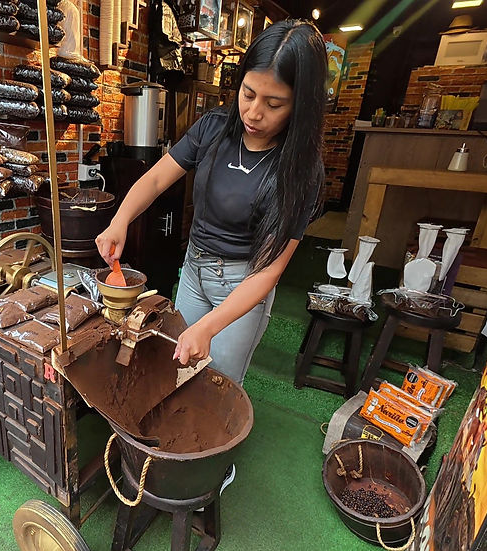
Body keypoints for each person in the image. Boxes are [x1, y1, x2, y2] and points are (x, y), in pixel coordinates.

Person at [96, 19, 327, 386]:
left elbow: (268, 271)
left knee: (218, 385)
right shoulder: (214, 127)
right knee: (178, 373)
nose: (254, 113)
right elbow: (155, 179)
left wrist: (209, 327)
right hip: (193, 269)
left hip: (242, 283)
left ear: (301, 106)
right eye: (248, 94)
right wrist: (119, 220)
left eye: (274, 104)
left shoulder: (300, 171)